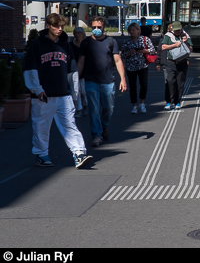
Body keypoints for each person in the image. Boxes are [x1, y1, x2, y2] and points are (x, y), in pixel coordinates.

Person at [24, 14, 92, 169]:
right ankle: (41, 154)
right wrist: (37, 89)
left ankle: (79, 153)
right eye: (56, 26)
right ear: (48, 25)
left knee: (70, 125)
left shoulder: (65, 45)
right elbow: (30, 68)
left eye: (62, 26)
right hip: (43, 96)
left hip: (63, 93)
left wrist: (74, 92)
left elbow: (72, 70)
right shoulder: (37, 44)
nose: (60, 29)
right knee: (41, 127)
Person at [78, 16, 128, 146]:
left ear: (103, 27)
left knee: (109, 108)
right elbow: (81, 62)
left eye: (99, 27)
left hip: (107, 81)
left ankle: (104, 125)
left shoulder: (111, 41)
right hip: (91, 81)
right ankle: (97, 135)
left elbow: (117, 60)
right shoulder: (86, 42)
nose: (96, 29)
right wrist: (76, 80)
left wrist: (123, 79)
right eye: (93, 27)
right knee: (94, 110)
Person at [120, 23, 154, 112]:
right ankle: (134, 104)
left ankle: (142, 102)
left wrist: (143, 51)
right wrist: (129, 52)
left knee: (144, 84)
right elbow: (122, 55)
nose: (132, 32)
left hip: (142, 65)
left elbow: (152, 50)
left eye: (133, 30)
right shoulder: (127, 41)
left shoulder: (145, 39)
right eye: (130, 30)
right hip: (131, 66)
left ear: (138, 31)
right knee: (132, 86)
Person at [159, 21, 191, 111]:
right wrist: (175, 45)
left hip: (182, 63)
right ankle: (169, 101)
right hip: (170, 62)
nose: (177, 32)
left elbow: (191, 49)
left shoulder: (185, 36)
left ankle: (177, 102)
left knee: (180, 83)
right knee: (170, 81)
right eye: (176, 30)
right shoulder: (168, 36)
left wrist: (185, 42)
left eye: (179, 30)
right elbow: (163, 47)